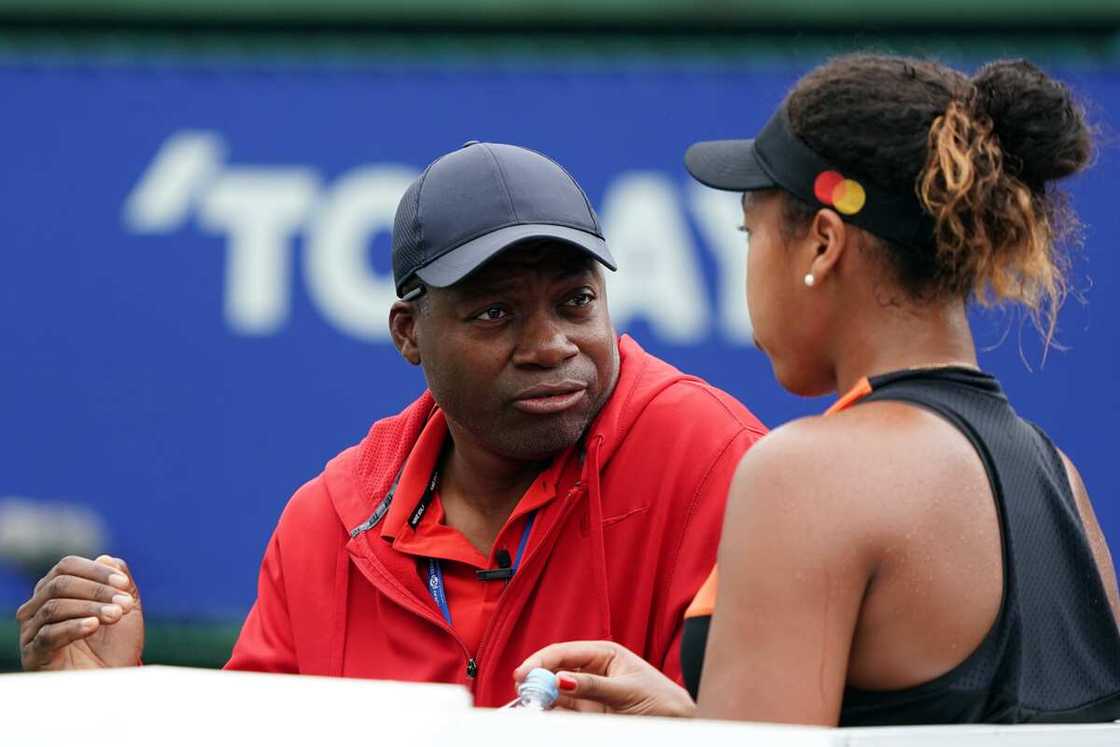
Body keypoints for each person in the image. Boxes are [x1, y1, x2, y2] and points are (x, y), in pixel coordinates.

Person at [16, 141, 767, 707]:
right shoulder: (327, 523)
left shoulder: (709, 459)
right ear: (408, 333)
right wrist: (97, 705)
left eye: (575, 302)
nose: (550, 345)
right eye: (497, 312)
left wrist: (691, 730)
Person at [516, 55, 1120, 725]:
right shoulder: (1058, 477)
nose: (748, 260)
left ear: (824, 243)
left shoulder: (803, 476)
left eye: (751, 231)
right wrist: (695, 725)